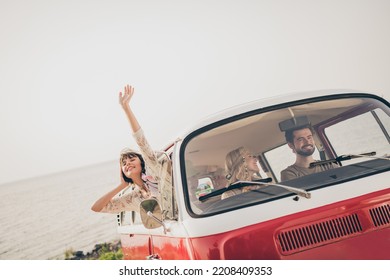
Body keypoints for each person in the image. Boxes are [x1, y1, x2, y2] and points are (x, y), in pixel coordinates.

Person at [91, 85, 174, 217]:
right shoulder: (132, 198)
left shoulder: (154, 170)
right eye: (124, 163)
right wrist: (122, 185)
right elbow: (97, 207)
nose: (127, 163)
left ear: (142, 162)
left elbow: (140, 139)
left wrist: (126, 108)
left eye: (132, 159)